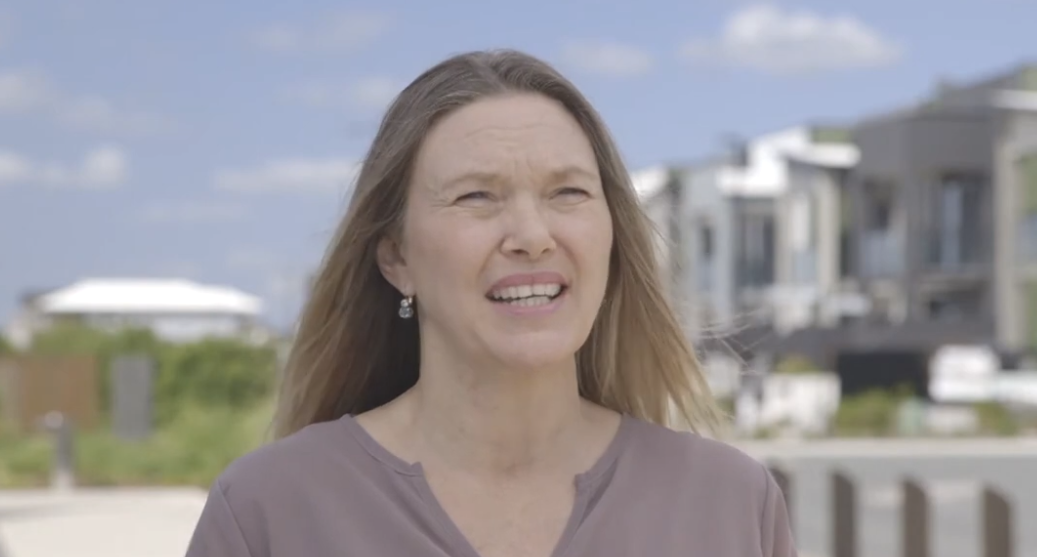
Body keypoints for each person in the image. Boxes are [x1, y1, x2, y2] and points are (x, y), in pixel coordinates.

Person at [185, 49, 796, 557]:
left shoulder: (730, 504)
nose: (532, 236)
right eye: (477, 196)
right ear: (396, 258)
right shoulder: (268, 512)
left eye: (568, 192)